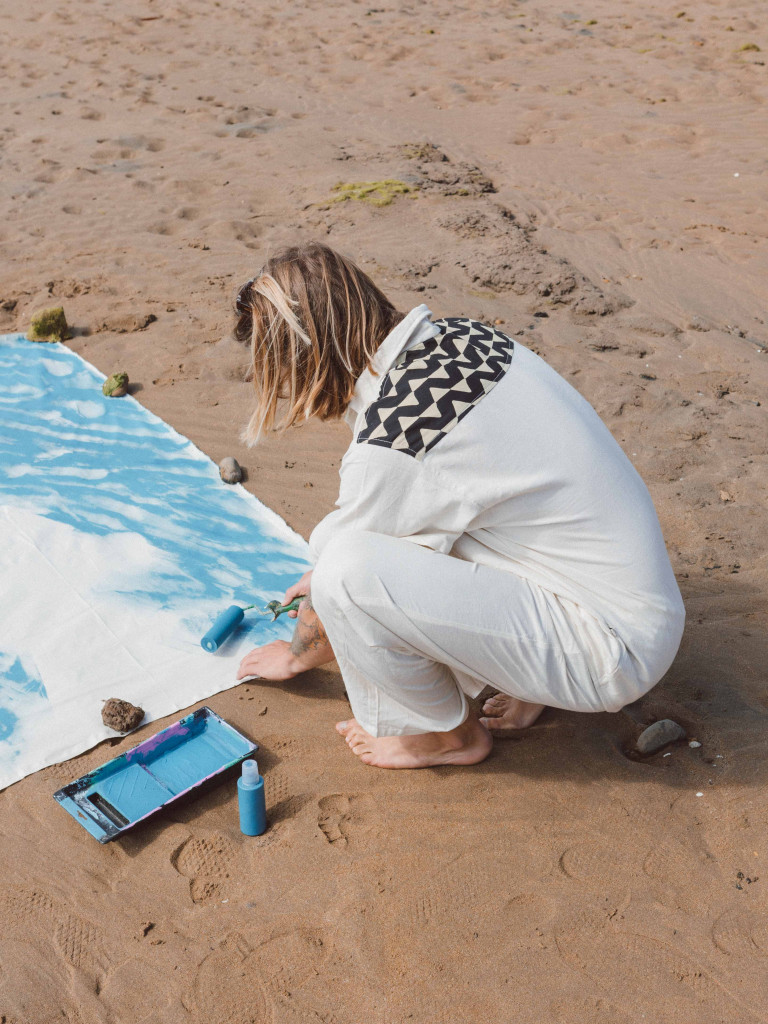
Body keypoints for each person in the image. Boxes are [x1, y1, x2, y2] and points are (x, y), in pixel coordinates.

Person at [235, 242, 685, 769]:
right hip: (634, 604)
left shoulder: (396, 441)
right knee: (392, 534)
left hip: (608, 655)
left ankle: (442, 737)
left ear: (305, 354)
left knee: (343, 570)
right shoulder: (466, 337)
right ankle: (530, 678)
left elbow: (352, 573)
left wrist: (293, 657)